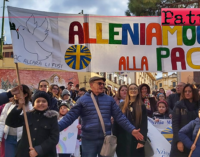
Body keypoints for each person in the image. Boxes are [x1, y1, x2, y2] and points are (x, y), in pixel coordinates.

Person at [58, 76, 143, 157]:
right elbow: (70, 117)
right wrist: (55, 128)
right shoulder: (82, 100)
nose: (102, 85)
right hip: (88, 140)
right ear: (91, 85)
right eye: (99, 83)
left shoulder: (109, 100)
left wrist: (131, 129)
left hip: (105, 140)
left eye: (103, 84)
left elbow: (120, 117)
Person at [5, 91, 59, 157]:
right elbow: (10, 122)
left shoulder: (52, 118)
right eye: (38, 101)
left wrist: (37, 150)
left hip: (45, 153)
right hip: (25, 153)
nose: (41, 103)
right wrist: (19, 106)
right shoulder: (27, 115)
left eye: (44, 101)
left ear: (48, 104)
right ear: (33, 104)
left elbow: (54, 138)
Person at [113, 83, 147, 157]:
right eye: (131, 88)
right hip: (122, 139)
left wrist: (141, 141)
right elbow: (117, 122)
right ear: (128, 91)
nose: (133, 90)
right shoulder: (122, 105)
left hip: (136, 139)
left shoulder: (142, 106)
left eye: (135, 88)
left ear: (138, 91)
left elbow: (144, 124)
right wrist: (114, 138)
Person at [0, 85, 33, 157]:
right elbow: (2, 122)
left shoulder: (30, 107)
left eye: (19, 92)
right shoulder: (8, 105)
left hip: (22, 139)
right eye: (15, 92)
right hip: (9, 138)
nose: (15, 94)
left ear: (25, 94)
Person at [170, 84, 200, 157]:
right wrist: (178, 141)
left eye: (189, 91)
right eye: (185, 91)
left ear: (194, 92)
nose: (187, 93)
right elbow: (175, 124)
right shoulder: (179, 105)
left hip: (195, 140)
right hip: (182, 139)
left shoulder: (198, 105)